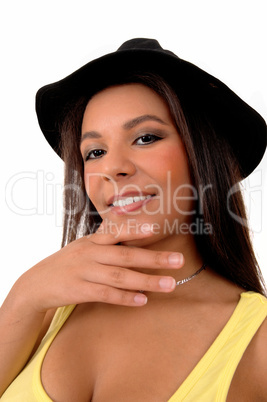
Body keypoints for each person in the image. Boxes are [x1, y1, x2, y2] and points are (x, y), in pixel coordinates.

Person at [0, 38, 267, 401]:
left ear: (202, 155)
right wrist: (22, 297)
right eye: (95, 152)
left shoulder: (257, 339)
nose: (113, 168)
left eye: (145, 137)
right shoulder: (46, 305)